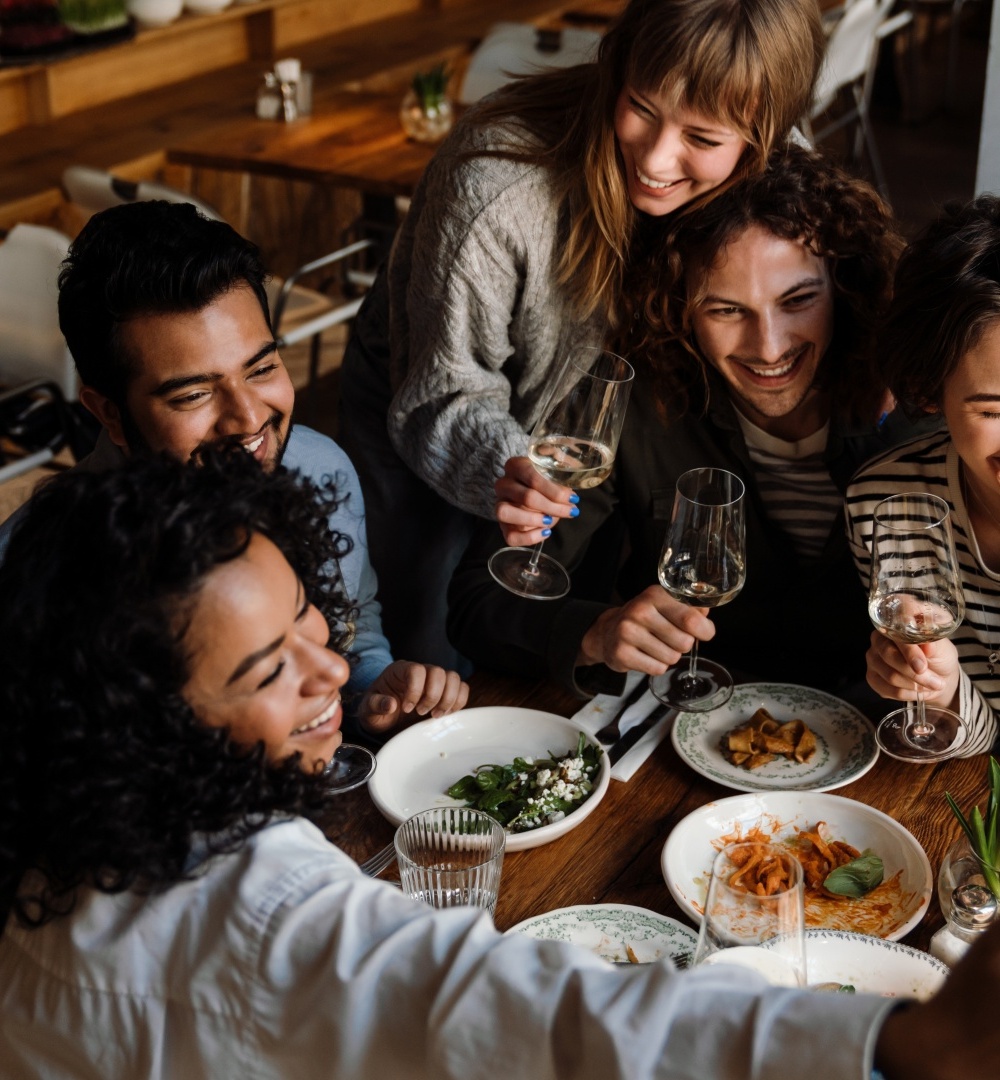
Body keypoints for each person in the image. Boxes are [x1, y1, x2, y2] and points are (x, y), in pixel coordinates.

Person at [0, 446, 995, 1080]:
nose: (334, 669)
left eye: (310, 618)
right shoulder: (255, 913)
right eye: (269, 669)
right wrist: (897, 1044)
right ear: (141, 721)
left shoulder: (54, 837)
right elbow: (542, 1018)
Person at [339, 0, 827, 670]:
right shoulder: (496, 187)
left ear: (763, 136)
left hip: (587, 419)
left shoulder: (780, 165)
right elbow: (444, 388)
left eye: (704, 140)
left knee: (567, 625)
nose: (656, 158)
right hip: (434, 403)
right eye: (642, 107)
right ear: (615, 65)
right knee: (426, 648)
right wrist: (504, 472)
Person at [448, 144, 931, 704]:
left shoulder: (915, 405)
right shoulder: (633, 405)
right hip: (678, 728)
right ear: (677, 308)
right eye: (726, 310)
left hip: (880, 730)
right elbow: (479, 602)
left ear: (843, 287)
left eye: (798, 300)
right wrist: (594, 633)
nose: (768, 346)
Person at [0, 200, 467, 738]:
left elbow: (352, 638)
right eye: (194, 394)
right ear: (108, 412)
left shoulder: (319, 469)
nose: (249, 419)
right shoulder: (31, 574)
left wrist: (374, 690)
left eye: (262, 367)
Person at [845, 195, 1000, 756]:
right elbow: (984, 739)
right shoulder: (887, 504)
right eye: (994, 411)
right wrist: (943, 693)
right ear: (932, 391)